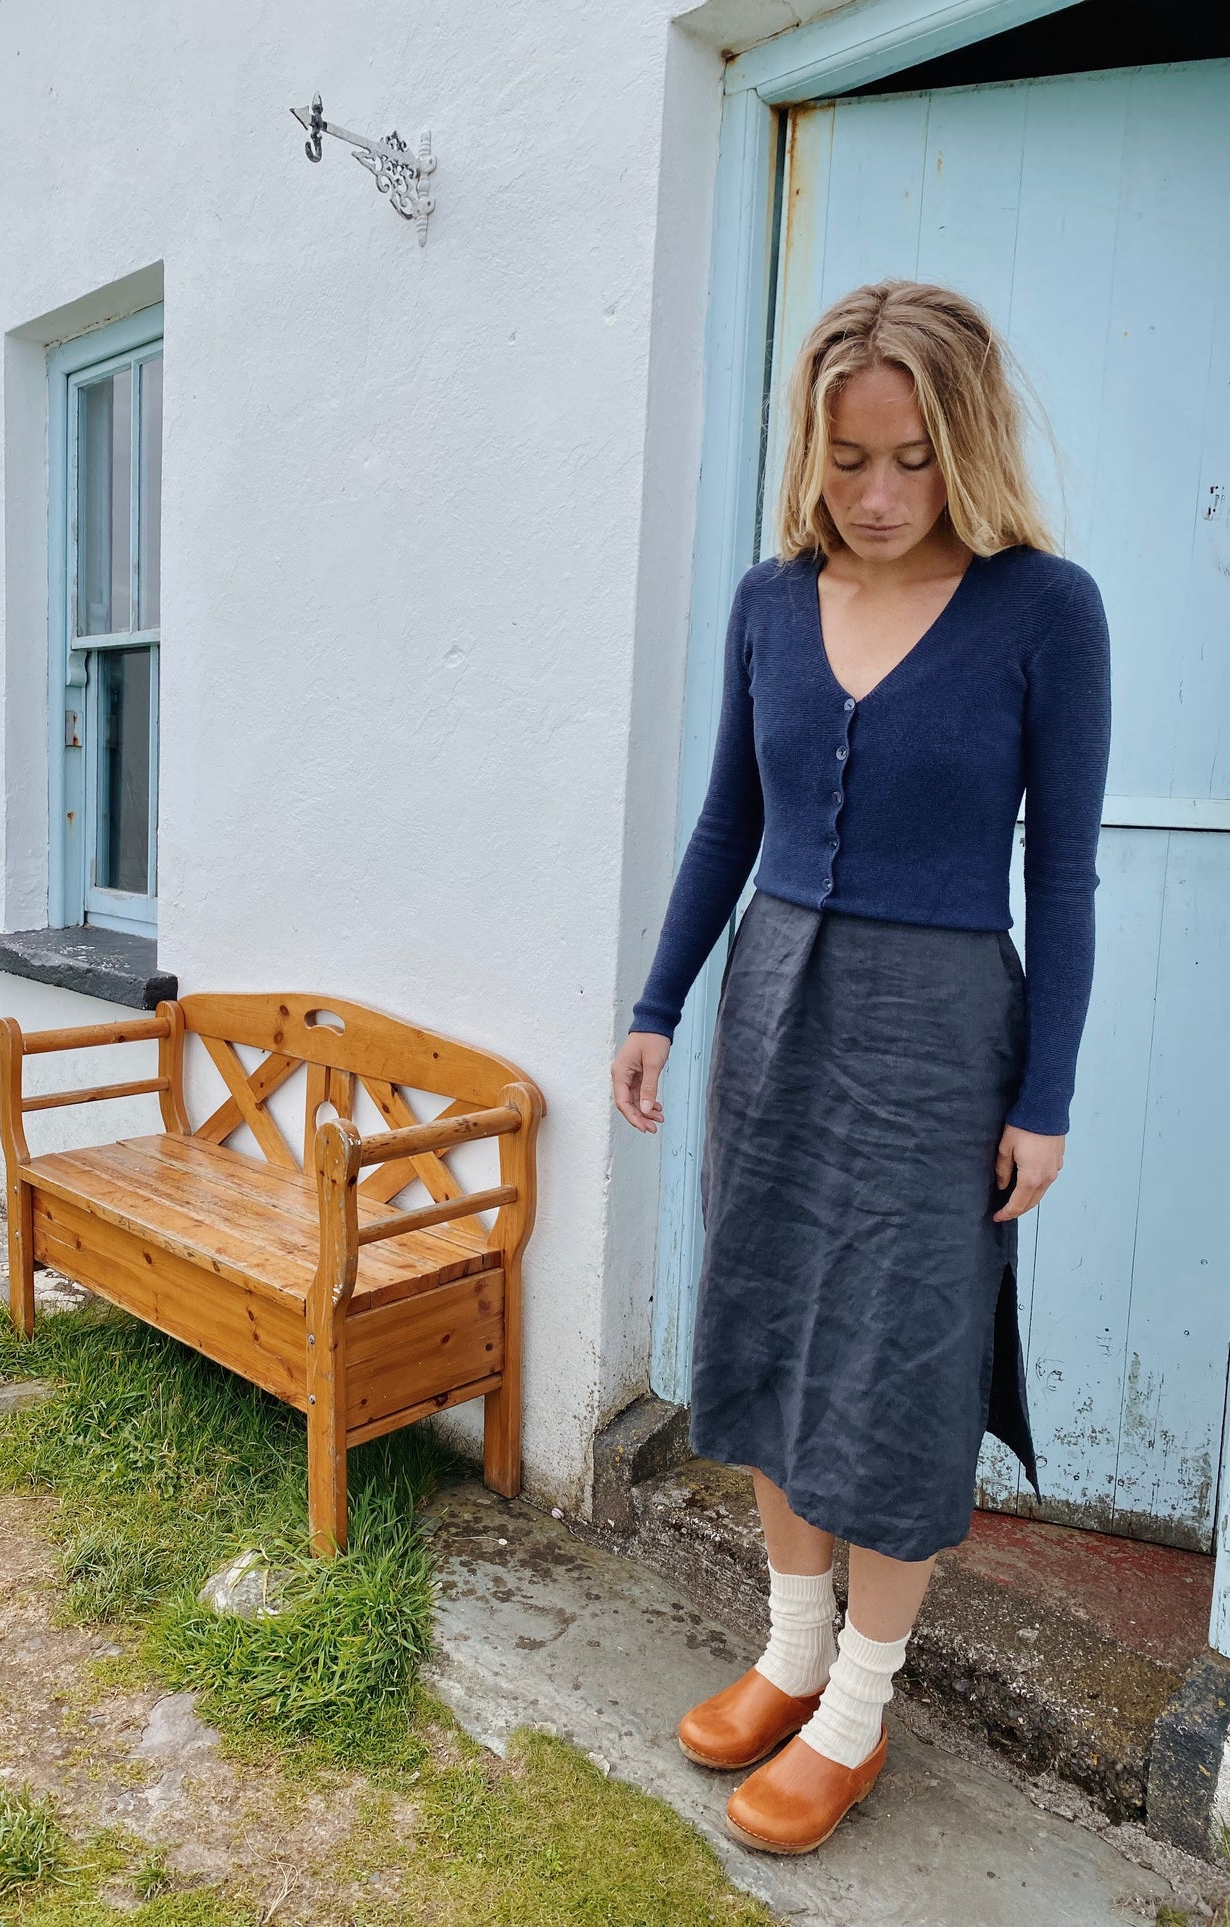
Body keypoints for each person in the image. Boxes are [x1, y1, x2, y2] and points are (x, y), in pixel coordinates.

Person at [610, 279, 1111, 1855]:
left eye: (908, 459)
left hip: (942, 1037)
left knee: (894, 1364)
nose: (877, 497)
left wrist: (1046, 1099)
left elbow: (1070, 876)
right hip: (772, 1010)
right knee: (769, 1327)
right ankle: (787, 1649)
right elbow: (725, 824)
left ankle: (856, 1707)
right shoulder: (769, 599)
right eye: (846, 461)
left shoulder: (1045, 608)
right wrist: (656, 1004)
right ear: (809, 451)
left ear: (960, 444)